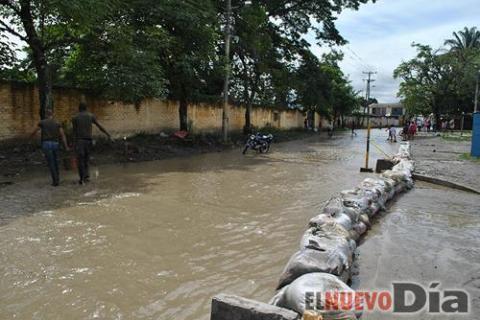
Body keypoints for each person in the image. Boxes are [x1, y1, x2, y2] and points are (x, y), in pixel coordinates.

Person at [72, 102, 111, 184]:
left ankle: (81, 178)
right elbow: (99, 126)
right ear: (86, 108)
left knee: (80, 160)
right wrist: (107, 134)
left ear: (79, 108)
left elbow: (74, 132)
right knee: (86, 159)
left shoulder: (75, 117)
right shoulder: (91, 116)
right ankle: (87, 177)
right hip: (88, 141)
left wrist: (73, 143)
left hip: (79, 141)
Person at [30, 110, 69, 186]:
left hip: (46, 144)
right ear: (52, 114)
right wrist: (66, 146)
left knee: (51, 163)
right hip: (55, 144)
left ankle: (55, 181)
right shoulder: (57, 123)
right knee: (56, 161)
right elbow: (62, 135)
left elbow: (35, 131)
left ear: (45, 115)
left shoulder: (42, 122)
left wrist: (30, 137)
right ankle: (57, 178)